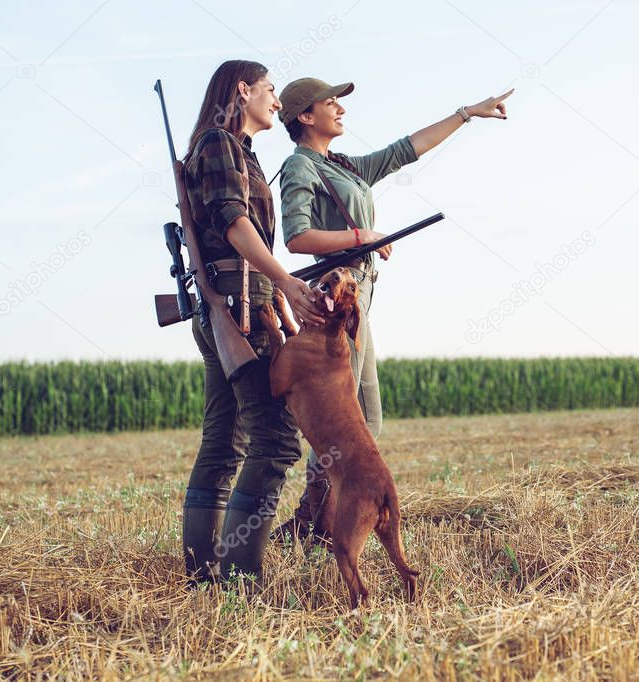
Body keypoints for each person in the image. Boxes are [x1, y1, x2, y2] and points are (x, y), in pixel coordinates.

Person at [270, 76, 513, 541]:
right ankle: (314, 520)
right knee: (346, 417)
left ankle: (318, 518)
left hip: (361, 293)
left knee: (369, 418)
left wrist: (467, 113)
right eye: (331, 104)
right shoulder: (301, 167)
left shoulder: (341, 165)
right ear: (305, 116)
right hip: (338, 294)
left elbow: (407, 149)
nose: (340, 110)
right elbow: (297, 238)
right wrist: (365, 236)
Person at [180, 60, 329, 583]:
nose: (276, 100)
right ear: (243, 91)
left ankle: (204, 575)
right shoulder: (219, 144)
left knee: (224, 441)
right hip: (238, 312)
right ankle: (241, 579)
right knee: (277, 440)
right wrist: (286, 282)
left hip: (237, 306)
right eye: (269, 89)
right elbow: (237, 227)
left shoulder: (237, 152)